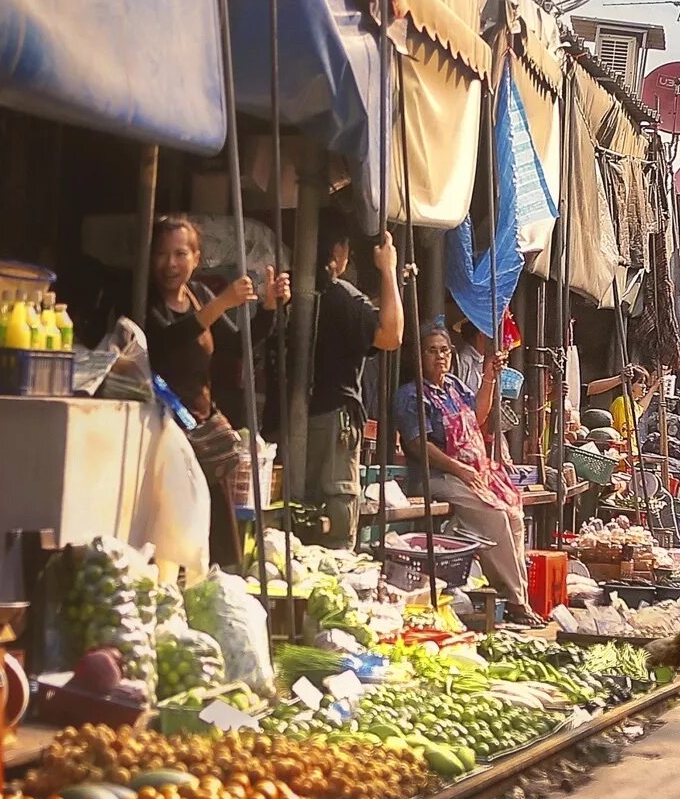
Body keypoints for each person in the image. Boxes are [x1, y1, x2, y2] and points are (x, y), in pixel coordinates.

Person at [143, 214, 290, 561]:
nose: (170, 264)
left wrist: (268, 307)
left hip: (199, 431)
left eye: (180, 254)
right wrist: (221, 303)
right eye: (162, 254)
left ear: (196, 258)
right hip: (158, 430)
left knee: (213, 536)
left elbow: (237, 345)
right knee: (167, 531)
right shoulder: (145, 298)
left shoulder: (199, 295)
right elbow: (165, 341)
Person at [393, 322, 540, 626]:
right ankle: (514, 600)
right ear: (419, 357)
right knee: (494, 516)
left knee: (513, 515)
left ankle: (519, 597)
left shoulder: (455, 387)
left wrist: (490, 376)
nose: (440, 357)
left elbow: (480, 415)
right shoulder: (411, 395)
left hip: (471, 473)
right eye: (432, 351)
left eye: (444, 350)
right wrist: (459, 468)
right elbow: (417, 444)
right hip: (438, 476)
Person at [304, 215, 402, 549]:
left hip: (289, 421)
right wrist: (388, 269)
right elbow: (391, 334)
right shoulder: (340, 296)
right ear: (339, 251)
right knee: (335, 520)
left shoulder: (289, 290)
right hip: (332, 421)